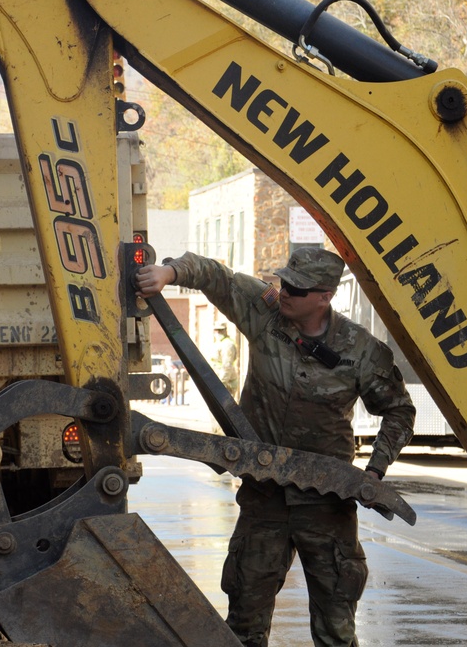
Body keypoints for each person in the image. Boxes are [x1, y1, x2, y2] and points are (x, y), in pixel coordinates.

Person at [136, 247, 415, 647]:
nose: (285, 292)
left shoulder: (360, 350)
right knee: (244, 622)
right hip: (263, 499)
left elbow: (399, 411)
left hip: (326, 504)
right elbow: (218, 276)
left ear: (325, 296)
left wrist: (373, 472)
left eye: (298, 289)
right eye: (284, 282)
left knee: (335, 629)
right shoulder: (265, 315)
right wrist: (169, 273)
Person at [212, 322, 240, 398]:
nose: (218, 333)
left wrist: (221, 384)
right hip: (219, 380)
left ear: (225, 331)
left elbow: (227, 366)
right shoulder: (219, 343)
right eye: (216, 330)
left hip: (227, 383)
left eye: (220, 330)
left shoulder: (227, 345)